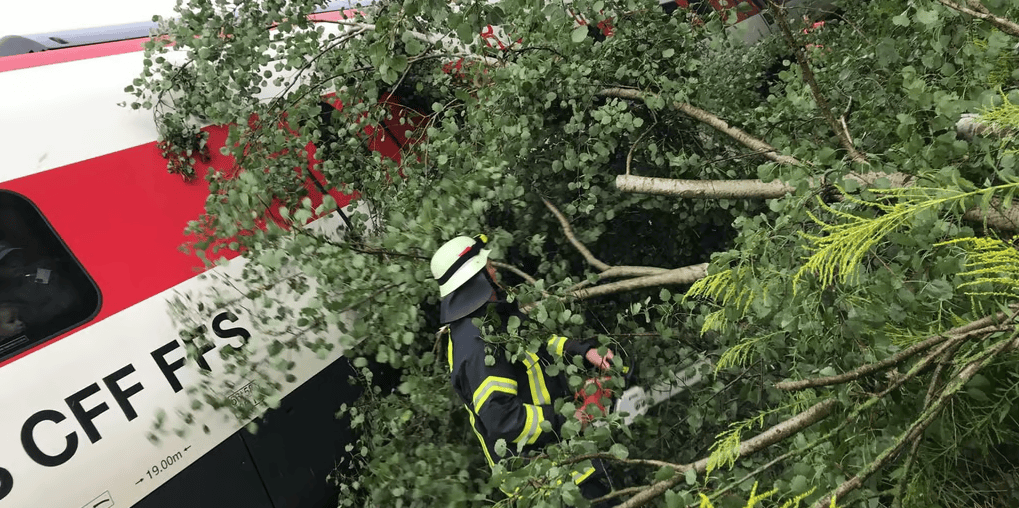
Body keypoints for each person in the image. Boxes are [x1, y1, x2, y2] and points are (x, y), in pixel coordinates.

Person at [431, 234, 619, 506]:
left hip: (562, 456)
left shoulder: (494, 315)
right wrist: (572, 418)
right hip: (542, 480)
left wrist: (582, 351)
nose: (495, 269)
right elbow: (503, 420)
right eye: (489, 265)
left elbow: (537, 342)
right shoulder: (475, 345)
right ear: (475, 278)